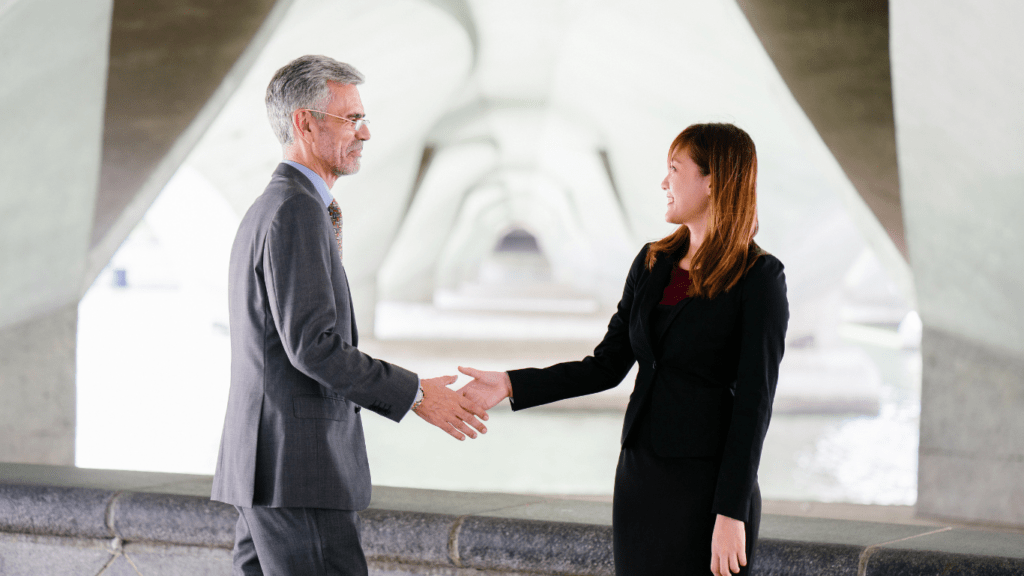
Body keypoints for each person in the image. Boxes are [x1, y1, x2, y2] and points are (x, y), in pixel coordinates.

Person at [459, 123, 788, 576]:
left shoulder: (760, 278)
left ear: (713, 182)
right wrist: (512, 384)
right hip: (640, 478)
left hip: (708, 489)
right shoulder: (653, 262)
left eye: (674, 169)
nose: (663, 183)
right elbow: (606, 365)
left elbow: (756, 403)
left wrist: (731, 512)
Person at [211, 55, 489, 576]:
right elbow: (312, 345)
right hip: (299, 471)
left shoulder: (268, 207)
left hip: (264, 470)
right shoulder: (296, 211)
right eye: (351, 118)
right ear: (305, 122)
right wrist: (416, 394)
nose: (365, 132)